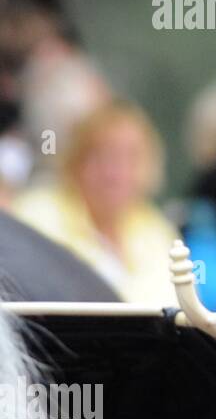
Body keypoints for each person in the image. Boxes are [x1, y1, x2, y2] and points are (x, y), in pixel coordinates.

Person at [11, 99, 179, 304]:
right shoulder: (36, 215)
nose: (117, 172)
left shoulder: (157, 232)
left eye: (131, 158)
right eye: (102, 156)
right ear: (75, 161)